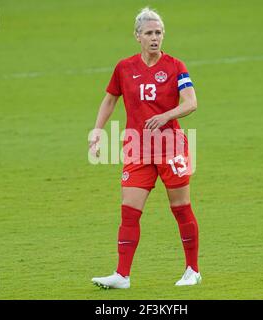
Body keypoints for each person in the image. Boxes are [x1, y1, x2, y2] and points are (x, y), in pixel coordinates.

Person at [89, 7, 201, 289]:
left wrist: (166, 116)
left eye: (159, 32)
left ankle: (192, 270)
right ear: (137, 36)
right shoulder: (124, 67)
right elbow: (110, 100)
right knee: (129, 211)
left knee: (181, 207)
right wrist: (97, 130)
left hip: (170, 148)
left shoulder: (176, 66)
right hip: (137, 150)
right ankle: (122, 275)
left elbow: (191, 102)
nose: (155, 38)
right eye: (149, 33)